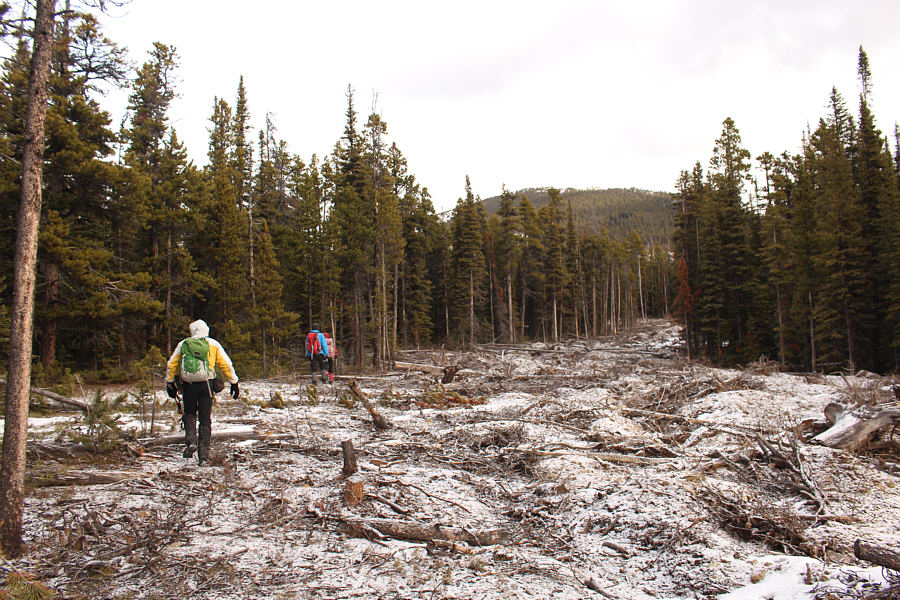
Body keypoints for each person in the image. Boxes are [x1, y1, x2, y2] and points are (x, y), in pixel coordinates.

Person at [166, 319, 239, 465]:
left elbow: (172, 364)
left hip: (188, 385)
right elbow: (225, 363)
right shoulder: (213, 344)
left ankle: (191, 441)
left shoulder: (184, 344)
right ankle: (203, 456)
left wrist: (170, 382)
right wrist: (234, 382)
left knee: (190, 413)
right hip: (207, 385)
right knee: (205, 419)